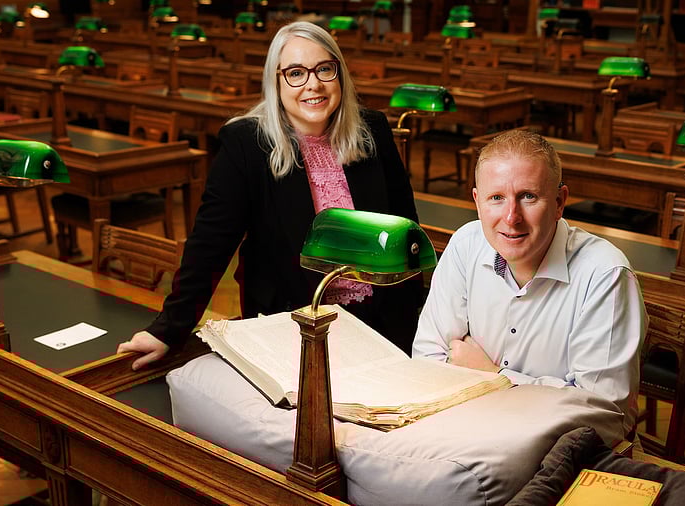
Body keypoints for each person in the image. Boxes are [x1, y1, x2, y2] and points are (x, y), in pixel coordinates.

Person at [118, 21, 421, 370]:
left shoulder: (373, 129)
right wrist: (169, 329)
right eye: (295, 72)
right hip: (292, 328)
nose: (313, 84)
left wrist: (415, 315)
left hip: (380, 325)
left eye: (324, 69)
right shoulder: (246, 144)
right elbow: (209, 246)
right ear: (275, 82)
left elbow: (405, 226)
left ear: (340, 74)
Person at [413, 129, 646, 434]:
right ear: (477, 201)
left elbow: (602, 416)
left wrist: (494, 377)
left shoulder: (605, 275)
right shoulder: (466, 243)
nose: (512, 217)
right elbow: (428, 359)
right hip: (468, 426)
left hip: (565, 454)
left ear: (560, 202)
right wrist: (553, 391)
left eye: (528, 196)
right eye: (496, 198)